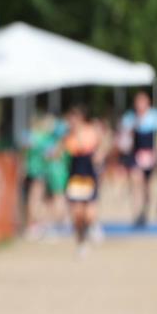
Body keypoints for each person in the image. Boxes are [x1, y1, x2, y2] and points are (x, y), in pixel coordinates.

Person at [62, 106, 108, 257]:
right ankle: (81, 243)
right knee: (77, 214)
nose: (71, 121)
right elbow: (63, 151)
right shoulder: (68, 135)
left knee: (89, 214)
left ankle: (93, 227)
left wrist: (100, 154)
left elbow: (101, 144)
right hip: (75, 176)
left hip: (88, 175)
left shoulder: (90, 131)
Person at [119, 91, 157, 227]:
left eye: (142, 102)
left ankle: (145, 212)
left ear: (148, 103)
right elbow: (124, 138)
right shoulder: (129, 118)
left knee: (147, 186)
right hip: (135, 154)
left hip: (151, 155)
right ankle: (136, 213)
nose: (140, 105)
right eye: (138, 102)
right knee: (136, 182)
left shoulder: (156, 117)